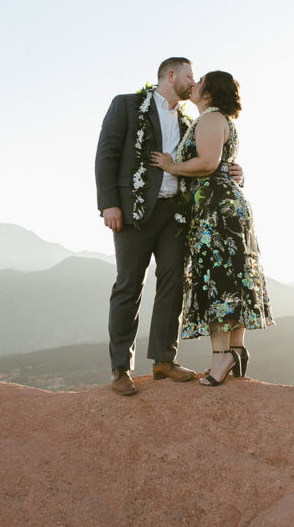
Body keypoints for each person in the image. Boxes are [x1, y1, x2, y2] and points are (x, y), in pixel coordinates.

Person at [95, 57, 243, 395]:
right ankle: (120, 368)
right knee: (128, 286)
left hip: (176, 215)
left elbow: (207, 157)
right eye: (190, 74)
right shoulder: (129, 105)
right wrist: (109, 203)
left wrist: (236, 170)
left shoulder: (190, 119)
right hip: (133, 212)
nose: (194, 81)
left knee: (174, 283)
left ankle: (164, 360)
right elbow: (107, 153)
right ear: (171, 74)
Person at [150, 71, 273, 386]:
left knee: (218, 278)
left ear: (210, 91)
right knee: (232, 276)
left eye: (200, 79)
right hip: (220, 207)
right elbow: (219, 163)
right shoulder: (214, 120)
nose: (194, 83)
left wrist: (171, 166)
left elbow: (207, 162)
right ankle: (235, 349)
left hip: (216, 211)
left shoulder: (210, 119)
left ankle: (222, 358)